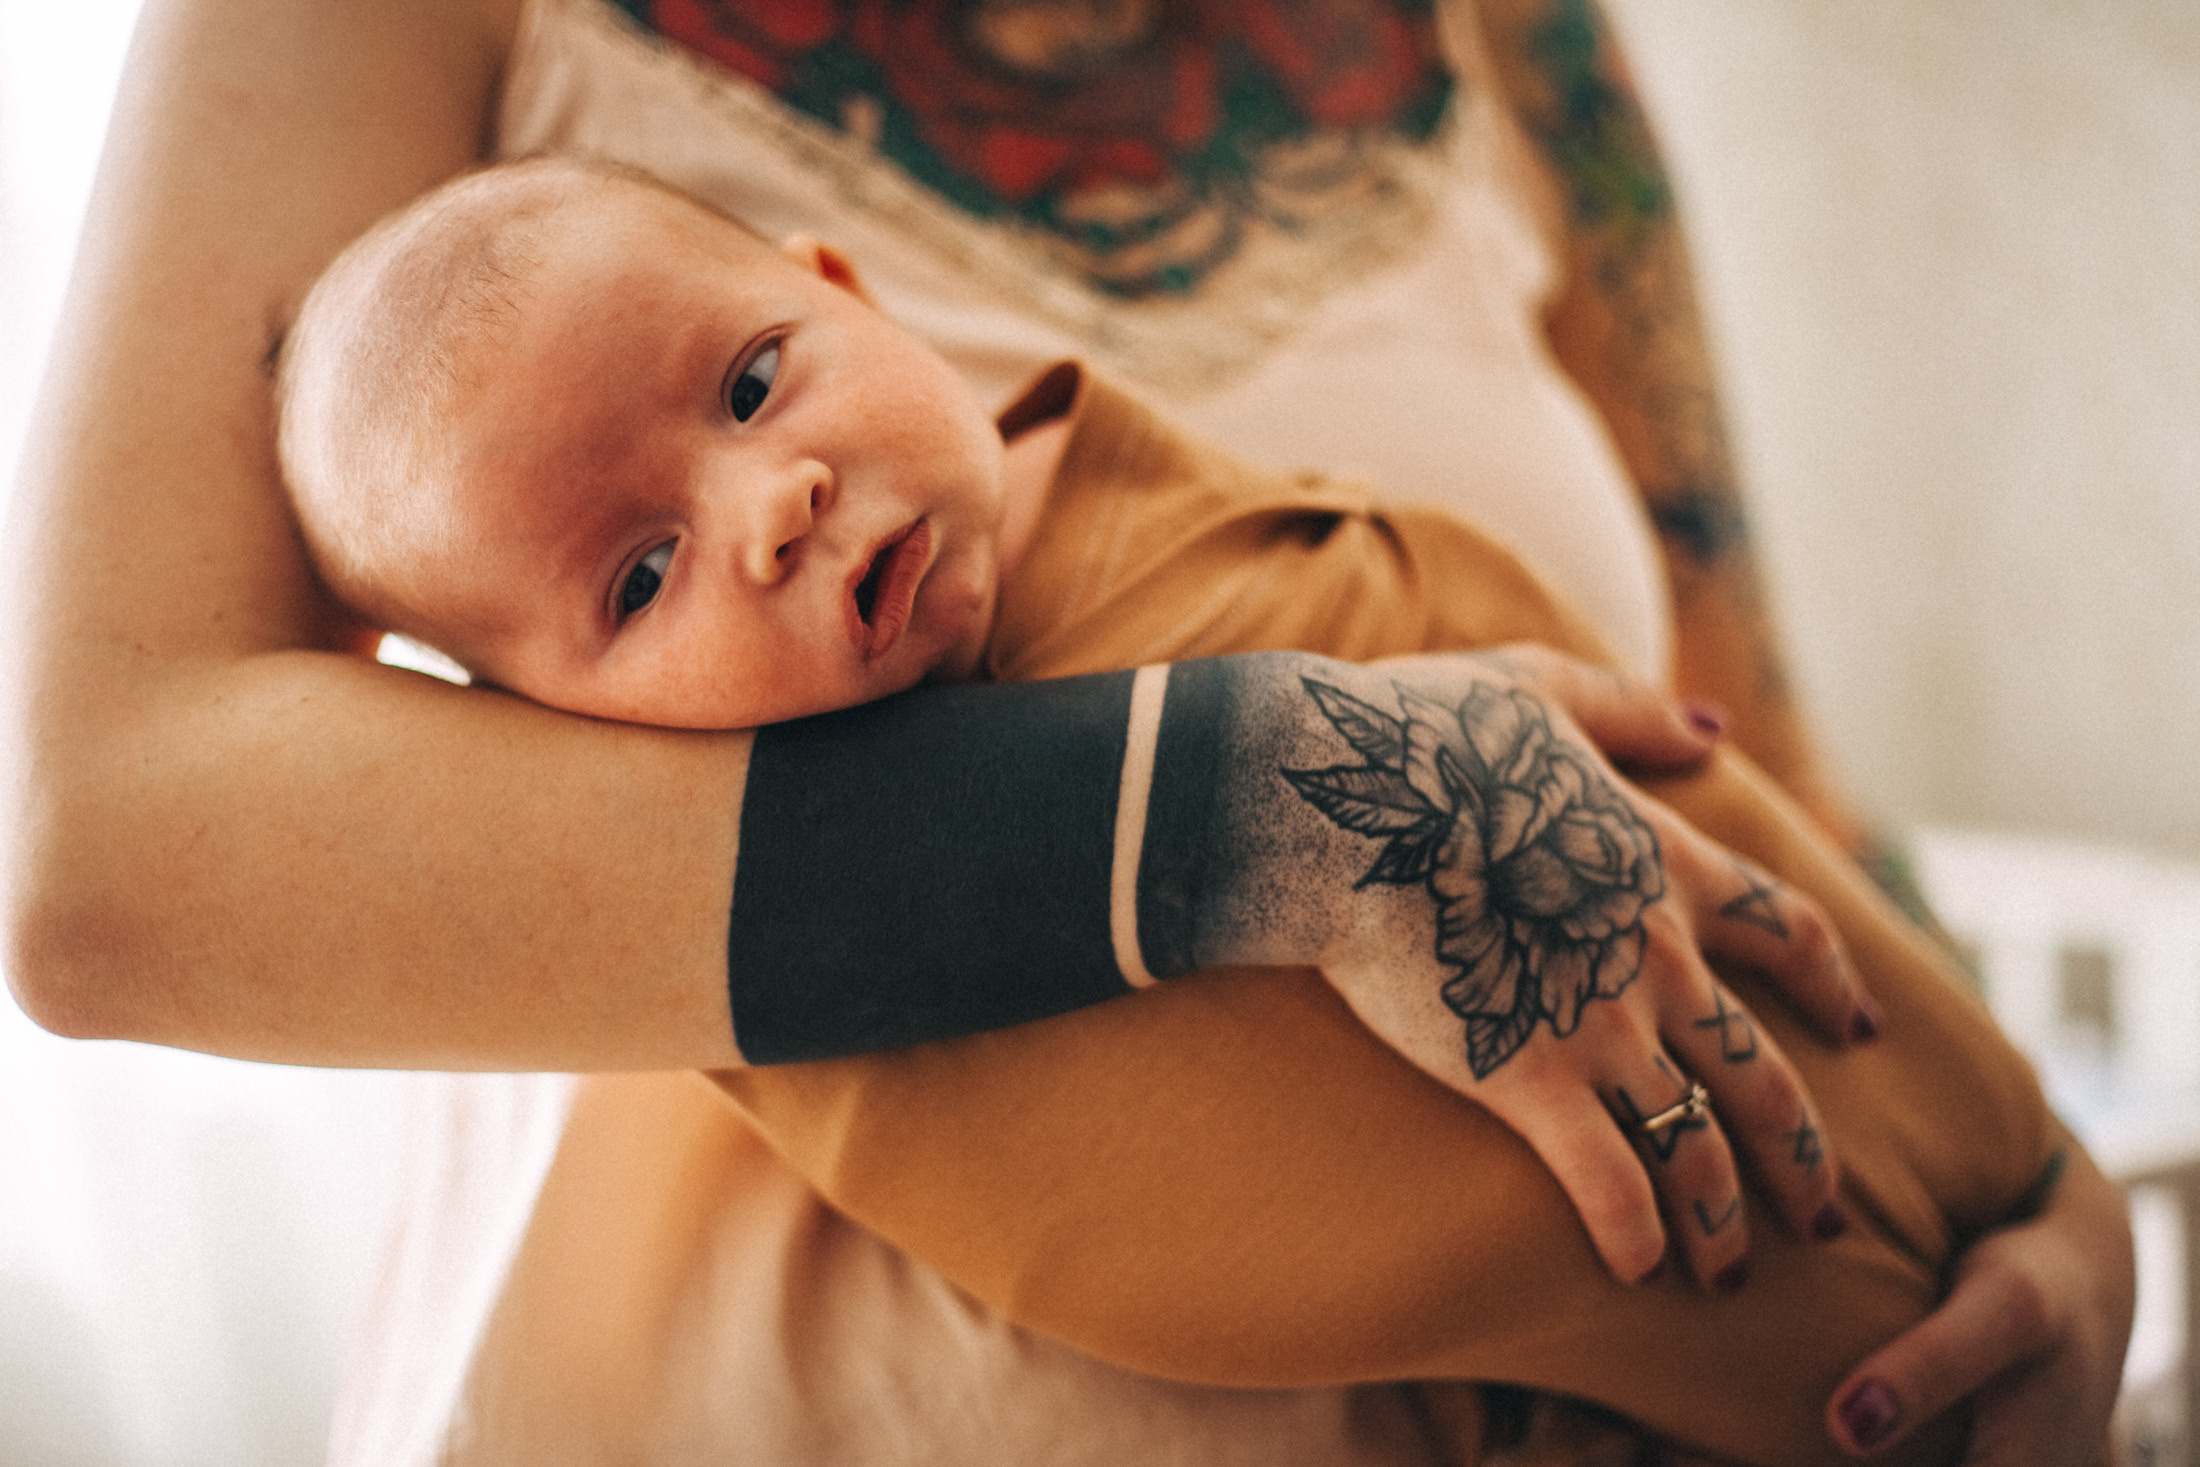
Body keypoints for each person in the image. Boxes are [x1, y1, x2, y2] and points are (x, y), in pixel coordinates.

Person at [1, 0, 2132, 1463]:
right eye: (638, 577)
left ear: (831, 285)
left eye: (756, 385)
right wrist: (1254, 792)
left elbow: (1738, 734)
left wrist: (2029, 1173)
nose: (768, 506)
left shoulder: (1508, 43)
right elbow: (102, 862)